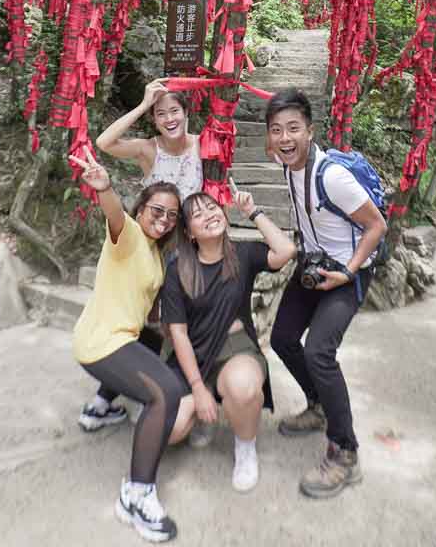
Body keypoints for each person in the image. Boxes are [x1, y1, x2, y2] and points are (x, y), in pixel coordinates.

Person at [265, 88, 387, 498]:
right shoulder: (287, 163)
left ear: (310, 130)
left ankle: (345, 451)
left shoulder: (331, 176)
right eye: (277, 130)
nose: (285, 138)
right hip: (314, 265)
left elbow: (377, 227)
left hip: (347, 273)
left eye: (294, 128)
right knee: (282, 338)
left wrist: (349, 271)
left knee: (319, 351)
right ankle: (318, 405)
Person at [70, 147, 184, 542]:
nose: (164, 220)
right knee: (165, 393)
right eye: (157, 210)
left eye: (172, 215)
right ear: (142, 208)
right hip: (103, 343)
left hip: (107, 338)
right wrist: (105, 189)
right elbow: (115, 215)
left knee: (150, 339)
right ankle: (136, 493)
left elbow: (149, 312)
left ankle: (99, 406)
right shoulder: (130, 234)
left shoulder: (154, 252)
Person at [78, 79, 204, 433]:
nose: (169, 118)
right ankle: (143, 397)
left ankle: (172, 399)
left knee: (176, 325)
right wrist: (143, 102)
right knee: (141, 322)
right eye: (160, 114)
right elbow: (104, 143)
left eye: (174, 111)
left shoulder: (202, 145)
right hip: (147, 248)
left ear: (186, 113)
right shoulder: (149, 149)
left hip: (186, 250)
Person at [161, 189, 296, 492]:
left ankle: (245, 447)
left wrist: (252, 211)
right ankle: (200, 408)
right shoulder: (177, 267)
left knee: (244, 388)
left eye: (212, 208)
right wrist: (197, 388)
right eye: (198, 215)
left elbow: (286, 251)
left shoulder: (242, 254)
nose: (209, 215)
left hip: (234, 349)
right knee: (169, 430)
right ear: (188, 232)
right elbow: (178, 334)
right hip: (190, 353)